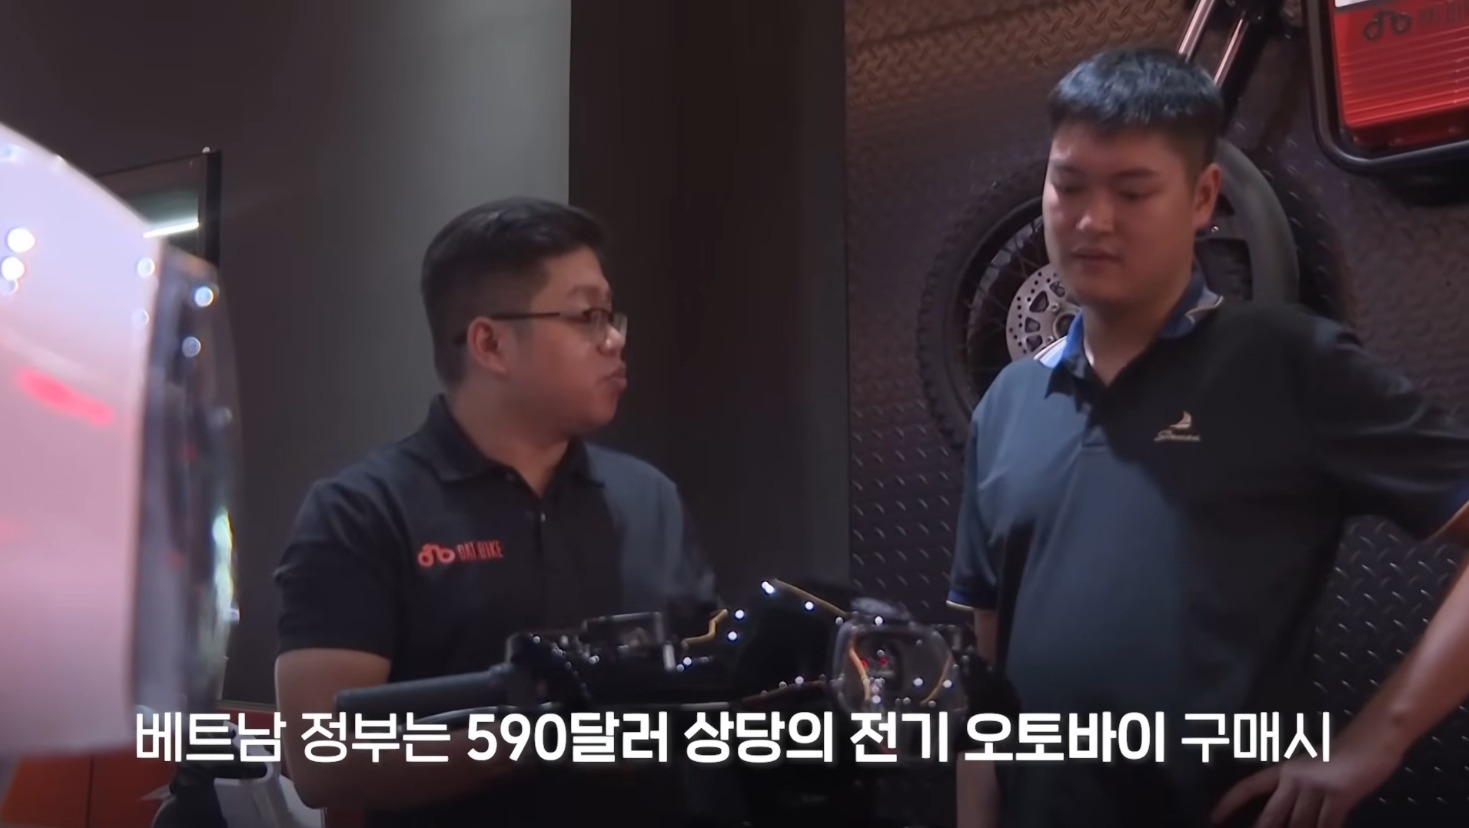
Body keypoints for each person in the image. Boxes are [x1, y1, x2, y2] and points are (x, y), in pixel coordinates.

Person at [948, 47, 1469, 828]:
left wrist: (1374, 741)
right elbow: (986, 670)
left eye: (1131, 191)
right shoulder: (1008, 403)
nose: (1091, 219)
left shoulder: (1286, 361)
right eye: (1068, 184)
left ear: (1200, 198)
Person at [273, 197, 719, 828]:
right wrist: (542, 737)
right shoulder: (363, 511)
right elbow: (321, 760)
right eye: (587, 317)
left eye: (611, 316)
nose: (614, 339)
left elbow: (710, 684)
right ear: (490, 343)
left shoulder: (650, 498)